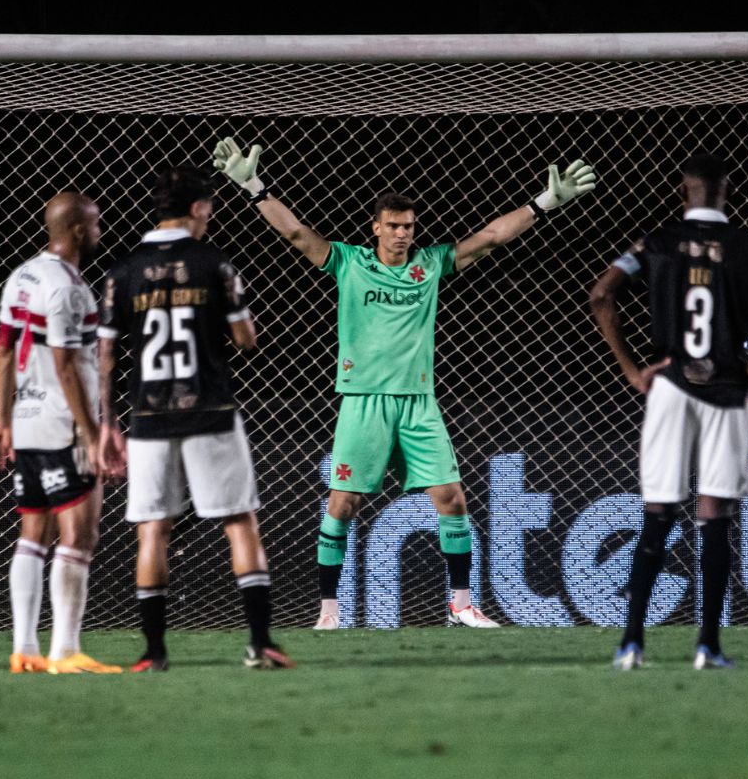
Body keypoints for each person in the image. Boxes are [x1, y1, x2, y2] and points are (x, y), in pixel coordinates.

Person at [212, 137, 597, 630]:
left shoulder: (429, 265)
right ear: (375, 228)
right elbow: (296, 235)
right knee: (342, 504)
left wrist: (543, 204)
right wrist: (253, 187)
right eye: (393, 226)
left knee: (452, 499)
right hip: (363, 401)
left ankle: (461, 605)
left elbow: (491, 237)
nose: (401, 234)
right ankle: (328, 613)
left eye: (408, 227)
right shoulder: (349, 262)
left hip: (418, 403)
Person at [590, 153, 748, 670]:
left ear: (681, 192)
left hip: (670, 388)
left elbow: (602, 293)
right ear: (726, 193)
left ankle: (631, 645)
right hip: (728, 391)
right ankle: (708, 646)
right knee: (714, 518)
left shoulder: (656, 242)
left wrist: (630, 368)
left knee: (658, 515)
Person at [97, 165, 293, 671]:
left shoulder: (124, 272)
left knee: (153, 530)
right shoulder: (215, 264)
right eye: (209, 208)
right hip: (210, 409)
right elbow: (247, 339)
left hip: (148, 415)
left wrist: (105, 422)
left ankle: (154, 652)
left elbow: (105, 355)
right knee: (239, 521)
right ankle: (260, 643)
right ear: (199, 208)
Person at [0, 192, 120, 675]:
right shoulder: (67, 286)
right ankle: (64, 650)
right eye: (97, 223)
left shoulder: (21, 276)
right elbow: (65, 364)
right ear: (79, 231)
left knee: (32, 535)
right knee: (79, 536)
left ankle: (24, 649)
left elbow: (3, 353)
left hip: (26, 420)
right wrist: (91, 433)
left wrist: (2, 420)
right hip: (63, 426)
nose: (102, 231)